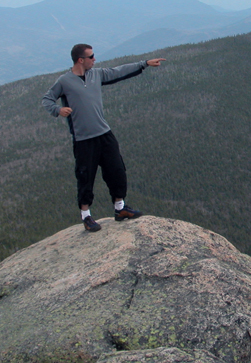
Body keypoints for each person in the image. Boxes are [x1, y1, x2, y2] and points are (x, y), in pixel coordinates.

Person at [42, 43, 165, 231]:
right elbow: (47, 99)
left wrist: (145, 64)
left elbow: (118, 72)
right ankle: (86, 216)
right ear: (80, 60)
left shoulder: (96, 74)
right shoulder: (64, 81)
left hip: (104, 134)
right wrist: (58, 110)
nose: (94, 59)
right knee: (85, 177)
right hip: (83, 140)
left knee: (117, 171)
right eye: (91, 57)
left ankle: (120, 209)